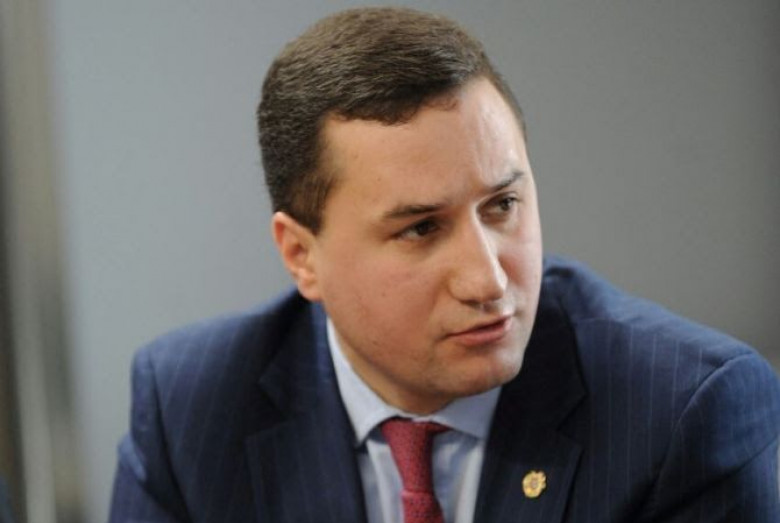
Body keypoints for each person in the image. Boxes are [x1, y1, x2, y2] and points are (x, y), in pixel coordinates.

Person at [108, 7, 780, 523]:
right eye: (421, 228)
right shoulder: (191, 408)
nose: (489, 280)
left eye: (503, 205)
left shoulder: (682, 413)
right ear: (301, 255)